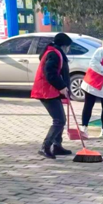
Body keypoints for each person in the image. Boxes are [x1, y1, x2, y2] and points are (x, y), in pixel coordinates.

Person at [31, 32, 73, 160]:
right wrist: (62, 87)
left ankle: (57, 146)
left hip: (51, 90)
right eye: (68, 46)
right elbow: (50, 73)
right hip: (46, 91)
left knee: (61, 119)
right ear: (64, 45)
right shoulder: (54, 54)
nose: (69, 49)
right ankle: (45, 146)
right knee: (59, 120)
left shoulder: (55, 52)